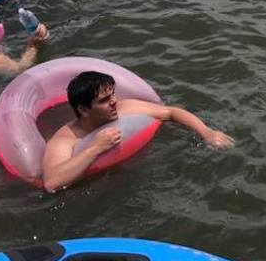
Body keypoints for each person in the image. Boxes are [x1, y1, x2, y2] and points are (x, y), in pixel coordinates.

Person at [41, 70, 234, 191]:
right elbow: (51, 183)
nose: (114, 101)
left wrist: (207, 133)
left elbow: (171, 112)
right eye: (104, 100)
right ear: (83, 109)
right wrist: (96, 148)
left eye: (113, 94)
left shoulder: (125, 108)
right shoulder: (64, 139)